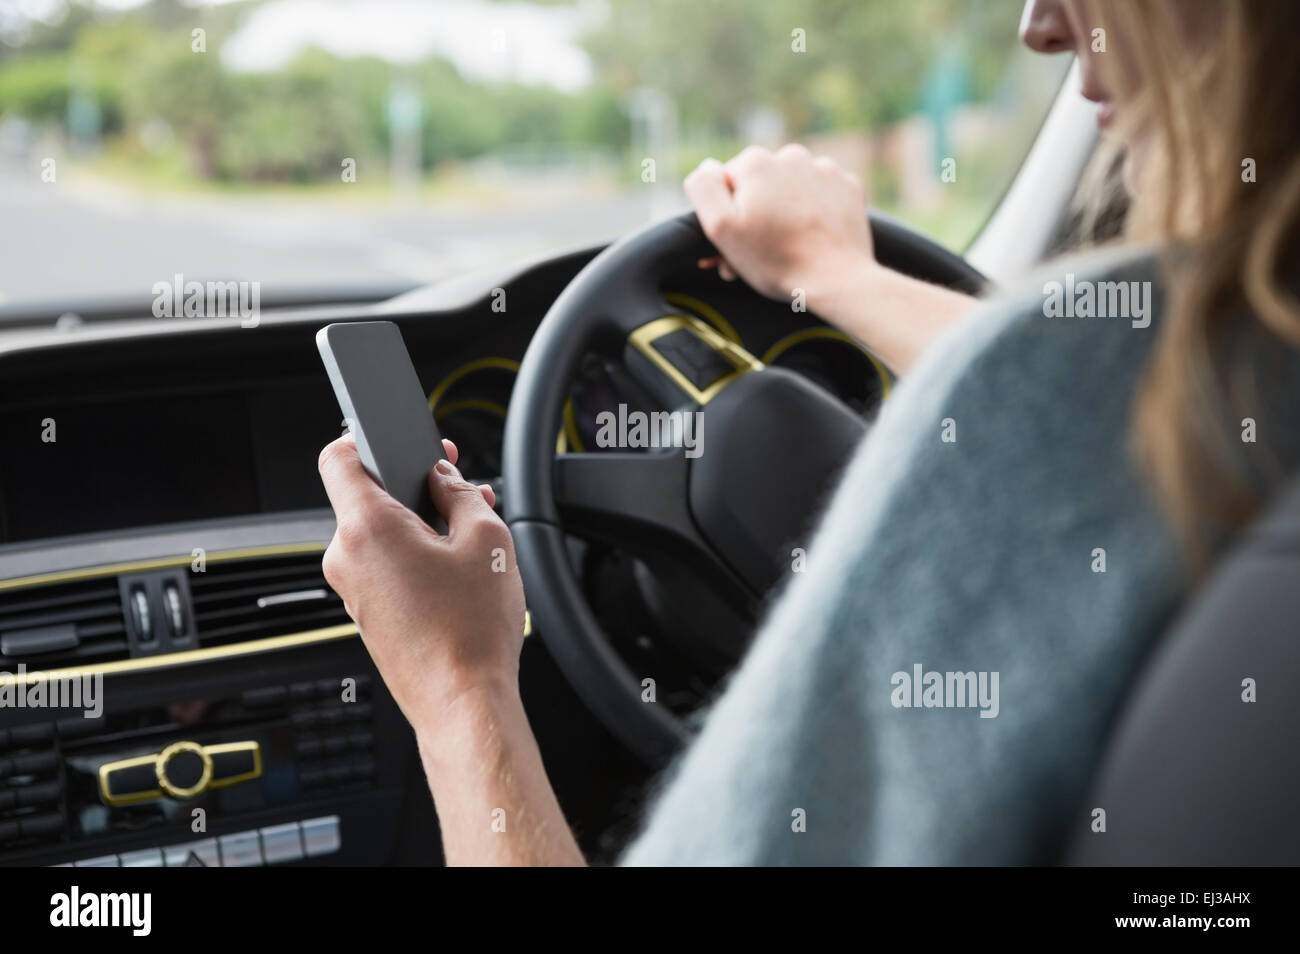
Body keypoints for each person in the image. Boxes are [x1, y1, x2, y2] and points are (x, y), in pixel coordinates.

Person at [316, 0, 1300, 865]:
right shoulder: (1215, 382)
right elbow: (1121, 396)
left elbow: (1064, 394)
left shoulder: (1067, 394)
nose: (1037, 24)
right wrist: (833, 275)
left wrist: (459, 677)